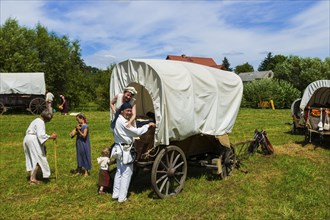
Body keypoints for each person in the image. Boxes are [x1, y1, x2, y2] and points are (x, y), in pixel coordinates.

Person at [111, 102, 156, 203]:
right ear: (122, 111)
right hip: (125, 151)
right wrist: (148, 125)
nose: (129, 113)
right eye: (127, 111)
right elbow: (136, 132)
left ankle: (116, 194)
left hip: (118, 149)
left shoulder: (116, 120)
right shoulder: (124, 123)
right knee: (126, 174)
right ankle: (122, 198)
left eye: (130, 111)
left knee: (119, 172)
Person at [23, 110, 57, 184]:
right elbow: (41, 135)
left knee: (33, 158)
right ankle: (33, 179)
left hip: (27, 138)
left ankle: (33, 176)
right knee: (38, 159)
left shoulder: (36, 120)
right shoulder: (41, 123)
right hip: (33, 140)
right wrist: (51, 136)